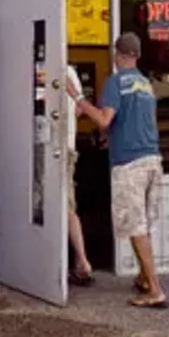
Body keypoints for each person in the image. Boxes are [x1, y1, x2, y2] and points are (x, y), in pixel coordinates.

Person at [74, 32, 168, 309]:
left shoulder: (115, 83)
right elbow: (147, 121)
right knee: (145, 225)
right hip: (153, 159)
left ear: (118, 54)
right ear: (136, 56)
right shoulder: (145, 84)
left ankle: (155, 290)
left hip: (129, 164)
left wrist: (80, 101)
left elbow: (104, 120)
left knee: (135, 227)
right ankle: (143, 278)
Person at [64, 65, 95, 287]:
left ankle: (81, 262)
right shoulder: (70, 71)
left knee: (42, 206)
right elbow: (79, 109)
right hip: (67, 148)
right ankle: (81, 261)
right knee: (67, 206)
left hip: (43, 147)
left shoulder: (36, 69)